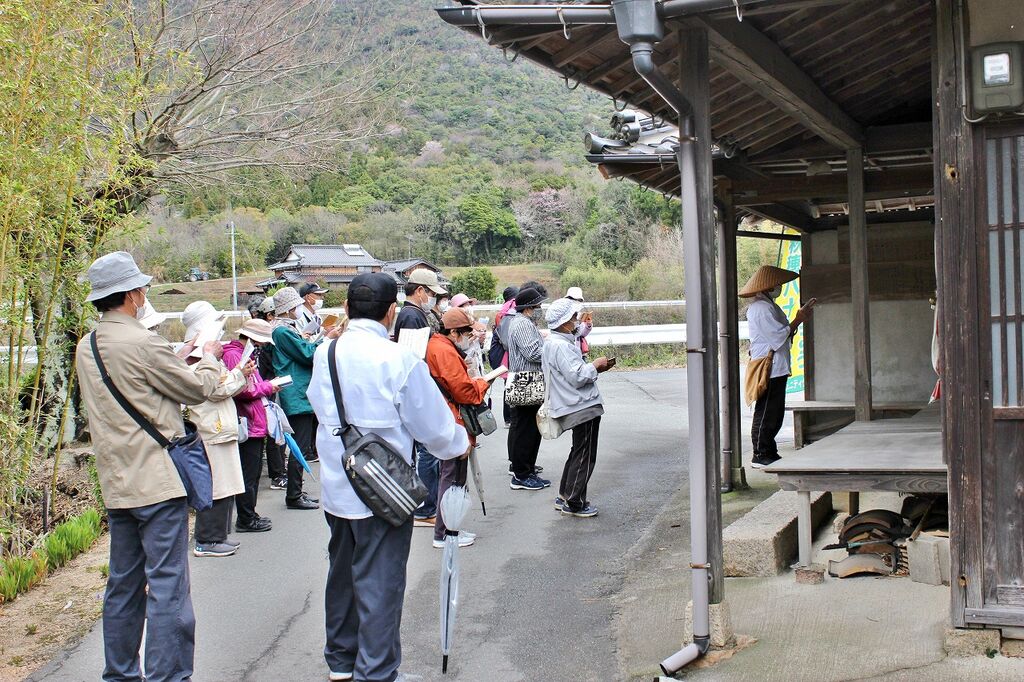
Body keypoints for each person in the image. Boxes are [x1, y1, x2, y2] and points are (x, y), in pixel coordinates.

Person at [306, 272, 470, 682]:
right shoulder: (399, 359)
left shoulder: (325, 352)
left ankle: (341, 661)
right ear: (391, 312)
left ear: (346, 308)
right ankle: (377, 672)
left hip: (338, 485)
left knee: (342, 575)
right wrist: (458, 444)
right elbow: (434, 428)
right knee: (380, 582)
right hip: (385, 491)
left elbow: (317, 404)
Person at [75, 251, 224, 682]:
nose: (144, 294)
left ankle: (121, 673)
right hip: (158, 481)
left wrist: (175, 356)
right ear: (131, 295)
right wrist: (209, 355)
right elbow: (196, 389)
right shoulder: (143, 342)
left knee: (122, 584)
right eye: (141, 288)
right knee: (167, 584)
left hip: (117, 481)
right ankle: (168, 674)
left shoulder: (87, 346)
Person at [179, 301, 252, 557]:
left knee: (226, 485)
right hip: (211, 429)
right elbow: (215, 389)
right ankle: (207, 539)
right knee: (216, 486)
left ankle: (218, 536)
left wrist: (239, 375)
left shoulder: (199, 355)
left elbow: (221, 385)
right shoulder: (198, 358)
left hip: (218, 427)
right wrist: (239, 374)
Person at [542, 298, 615, 518]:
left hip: (571, 404)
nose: (576, 321)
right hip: (581, 405)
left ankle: (565, 495)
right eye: (573, 317)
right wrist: (595, 366)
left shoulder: (554, 342)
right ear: (563, 322)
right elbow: (577, 376)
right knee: (585, 455)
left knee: (578, 451)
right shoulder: (562, 346)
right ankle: (574, 502)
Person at [425, 307, 491, 548]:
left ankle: (449, 529)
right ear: (453, 332)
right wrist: (482, 383)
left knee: (452, 475)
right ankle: (445, 532)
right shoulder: (444, 350)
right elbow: (464, 392)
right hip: (454, 419)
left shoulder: (437, 345)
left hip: (447, 417)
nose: (468, 337)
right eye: (466, 333)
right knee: (453, 477)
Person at [740, 265, 815, 469]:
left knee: (773, 411)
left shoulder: (766, 305)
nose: (779, 287)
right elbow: (777, 336)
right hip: (769, 365)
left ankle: (768, 451)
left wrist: (797, 321)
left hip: (775, 364)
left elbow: (781, 334)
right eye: (777, 284)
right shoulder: (761, 308)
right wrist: (798, 319)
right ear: (768, 286)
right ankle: (760, 453)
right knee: (767, 410)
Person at [272, 286, 330, 510]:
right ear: (288, 308)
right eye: (296, 305)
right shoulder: (282, 331)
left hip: (296, 392)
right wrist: (325, 338)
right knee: (300, 447)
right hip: (296, 393)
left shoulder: (284, 329)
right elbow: (307, 354)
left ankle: (296, 491)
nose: (298, 308)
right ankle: (294, 495)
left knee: (301, 446)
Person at [223, 318, 280, 533]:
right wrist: (269, 387)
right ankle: (246, 519)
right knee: (248, 473)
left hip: (253, 420)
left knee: (253, 472)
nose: (263, 345)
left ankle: (250, 515)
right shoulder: (234, 355)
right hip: (247, 421)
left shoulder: (244, 353)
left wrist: (266, 386)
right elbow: (241, 390)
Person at [506, 286, 551, 490]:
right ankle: (521, 475)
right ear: (528, 307)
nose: (540, 309)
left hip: (527, 380)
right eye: (538, 306)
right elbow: (532, 353)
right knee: (526, 430)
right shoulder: (523, 324)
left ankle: (527, 470)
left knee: (531, 429)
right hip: (526, 380)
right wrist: (551, 349)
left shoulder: (523, 322)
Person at [251, 297, 286, 488]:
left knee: (275, 431)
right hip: (266, 390)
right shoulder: (263, 343)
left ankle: (279, 472)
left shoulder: (259, 343)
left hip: (265, 389)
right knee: (274, 431)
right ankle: (277, 474)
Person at [490, 285, 519, 428]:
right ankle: (511, 418)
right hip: (510, 354)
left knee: (508, 385)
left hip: (504, 356)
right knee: (511, 385)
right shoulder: (511, 311)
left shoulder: (501, 313)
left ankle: (509, 418)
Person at [395, 268, 446, 338]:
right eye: (433, 294)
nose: (434, 298)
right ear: (420, 291)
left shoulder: (413, 312)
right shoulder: (411, 317)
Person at [565, 286, 593, 356]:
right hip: (567, 350)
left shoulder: (579, 313)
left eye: (579, 300)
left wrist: (588, 325)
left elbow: (582, 334)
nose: (576, 302)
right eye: (574, 299)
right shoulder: (563, 314)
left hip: (578, 351)